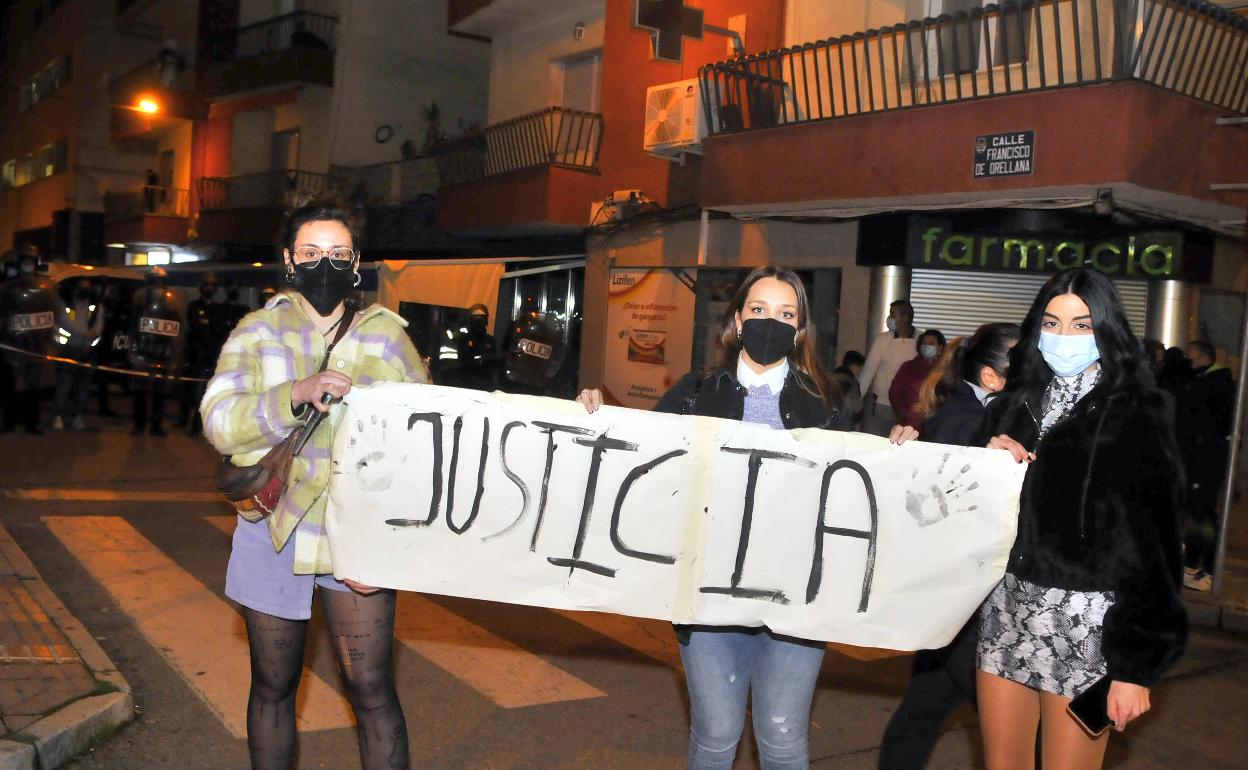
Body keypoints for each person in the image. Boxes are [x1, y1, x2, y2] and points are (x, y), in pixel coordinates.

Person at [581, 266, 852, 770]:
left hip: (795, 595)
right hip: (708, 590)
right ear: (736, 319)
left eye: (786, 314)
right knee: (717, 734)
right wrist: (598, 416)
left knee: (783, 736)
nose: (771, 322)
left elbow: (857, 490)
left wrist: (901, 450)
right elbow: (636, 456)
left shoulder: (829, 403)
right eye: (759, 310)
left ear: (800, 329)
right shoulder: (695, 391)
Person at [201, 201, 424, 770]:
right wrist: (293, 394)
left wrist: (577, 414)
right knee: (272, 687)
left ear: (355, 263)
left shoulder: (388, 339)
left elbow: (433, 435)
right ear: (289, 259)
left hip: (356, 535)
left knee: (371, 690)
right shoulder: (257, 332)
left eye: (337, 252)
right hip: (273, 528)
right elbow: (218, 421)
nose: (324, 262)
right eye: (310, 251)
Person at [973, 268, 1187, 769]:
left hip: (1087, 624)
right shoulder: (1011, 405)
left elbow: (1155, 548)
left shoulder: (1137, 413)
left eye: (1081, 325)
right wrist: (981, 459)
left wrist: (1136, 665)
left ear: (1107, 331)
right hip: (1006, 609)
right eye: (1051, 323)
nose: (1062, 337)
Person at [878, 323, 1020, 770]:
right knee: (1005, 729)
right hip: (967, 605)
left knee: (923, 711)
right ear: (991, 377)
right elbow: (962, 438)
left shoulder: (1010, 410)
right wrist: (989, 448)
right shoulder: (964, 417)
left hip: (970, 604)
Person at [1177, 340, 1234, 592]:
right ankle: (1193, 566)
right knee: (1196, 515)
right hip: (1198, 460)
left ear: (1202, 356)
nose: (1187, 361)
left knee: (1203, 516)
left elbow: (1214, 428)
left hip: (1206, 462)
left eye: (1190, 356)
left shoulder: (1216, 385)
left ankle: (1207, 570)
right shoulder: (1203, 382)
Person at [129, 267, 182, 437]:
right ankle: (139, 425)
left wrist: (173, 353)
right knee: (140, 391)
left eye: (160, 282)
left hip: (161, 353)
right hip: (143, 352)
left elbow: (176, 330)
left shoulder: (171, 305)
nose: (157, 286)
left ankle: (156, 425)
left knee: (159, 391)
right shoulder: (139, 302)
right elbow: (131, 328)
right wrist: (132, 351)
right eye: (155, 282)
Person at [51, 278, 104, 431]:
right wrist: (85, 333)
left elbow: (98, 328)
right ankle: (58, 416)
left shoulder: (96, 307)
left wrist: (88, 342)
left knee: (83, 386)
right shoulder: (65, 304)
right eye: (81, 287)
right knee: (64, 384)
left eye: (87, 287)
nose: (84, 290)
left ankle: (78, 417)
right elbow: (66, 323)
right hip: (67, 349)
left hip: (87, 351)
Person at [858, 299, 918, 436]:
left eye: (892, 314)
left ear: (905, 317)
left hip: (909, 408)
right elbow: (868, 371)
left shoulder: (921, 339)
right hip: (881, 405)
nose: (889, 318)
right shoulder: (883, 339)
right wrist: (857, 399)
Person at [179, 273, 225, 436]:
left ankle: (196, 427)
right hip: (194, 353)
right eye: (206, 286)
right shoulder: (193, 306)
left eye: (212, 286)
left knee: (204, 393)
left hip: (211, 355)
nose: (209, 289)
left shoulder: (218, 309)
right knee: (188, 389)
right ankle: (183, 419)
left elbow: (219, 330)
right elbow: (197, 327)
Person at [888, 329, 946, 430]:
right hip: (910, 422)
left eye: (931, 343)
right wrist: (904, 413)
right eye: (924, 343)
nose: (927, 346)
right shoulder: (908, 366)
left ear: (940, 347)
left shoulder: (946, 369)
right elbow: (895, 392)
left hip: (938, 425)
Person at [454, 303, 498, 391]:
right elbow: (463, 360)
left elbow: (493, 363)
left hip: (485, 384)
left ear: (485, 321)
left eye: (481, 319)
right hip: (467, 383)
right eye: (476, 319)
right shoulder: (464, 339)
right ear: (471, 321)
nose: (479, 322)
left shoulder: (490, 341)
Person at [833, 350, 865, 427]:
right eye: (860, 369)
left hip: (828, 423)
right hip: (844, 427)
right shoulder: (853, 383)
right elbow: (858, 411)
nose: (859, 372)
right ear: (854, 367)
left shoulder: (830, 378)